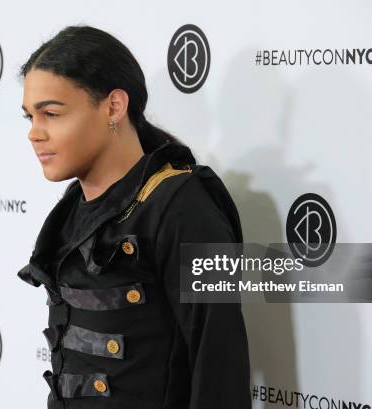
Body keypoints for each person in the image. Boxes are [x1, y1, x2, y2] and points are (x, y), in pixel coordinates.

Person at [17, 24, 251, 409]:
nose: (35, 133)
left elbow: (220, 364)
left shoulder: (183, 206)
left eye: (52, 114)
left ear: (113, 106)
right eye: (30, 117)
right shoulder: (71, 210)